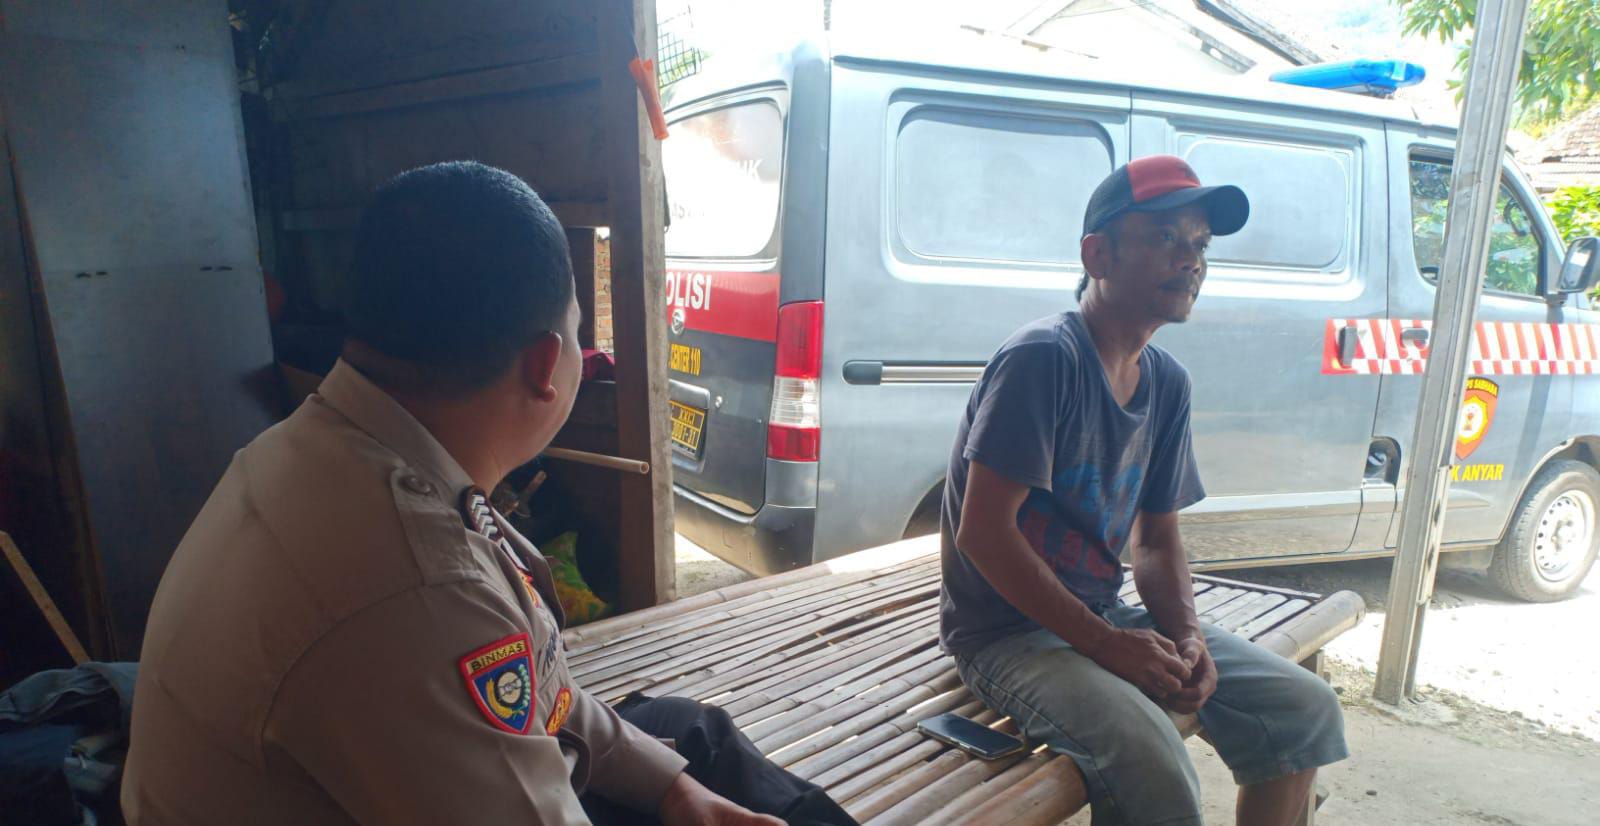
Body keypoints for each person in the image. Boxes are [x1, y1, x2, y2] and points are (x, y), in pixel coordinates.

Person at [122, 161, 854, 826]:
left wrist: (672, 790)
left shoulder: (318, 447)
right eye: (578, 332)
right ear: (544, 364)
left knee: (691, 741)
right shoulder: (417, 584)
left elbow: (539, 690)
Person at [938, 155, 1346, 826]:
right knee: (1153, 762)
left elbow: (1154, 539)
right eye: (1164, 237)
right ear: (1097, 255)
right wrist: (1105, 644)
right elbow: (982, 531)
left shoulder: (1166, 382)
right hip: (1005, 634)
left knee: (1303, 707)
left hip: (1104, 613)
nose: (1191, 261)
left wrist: (1187, 636)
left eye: (1200, 245)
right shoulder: (1044, 359)